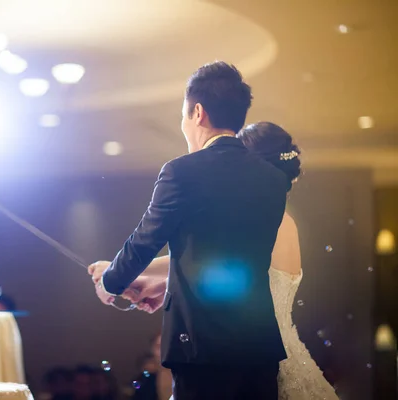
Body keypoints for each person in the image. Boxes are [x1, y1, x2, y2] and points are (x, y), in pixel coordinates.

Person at [94, 122, 340, 399]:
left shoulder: (262, 221)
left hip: (240, 360)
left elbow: (215, 264)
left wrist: (115, 272)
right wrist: (164, 285)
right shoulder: (284, 221)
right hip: (269, 353)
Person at [89, 62, 288, 399]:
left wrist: (111, 281)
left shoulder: (181, 172)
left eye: (183, 116)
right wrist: (168, 287)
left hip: (200, 343)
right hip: (258, 343)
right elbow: (224, 257)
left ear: (197, 113)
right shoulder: (274, 180)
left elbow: (144, 240)